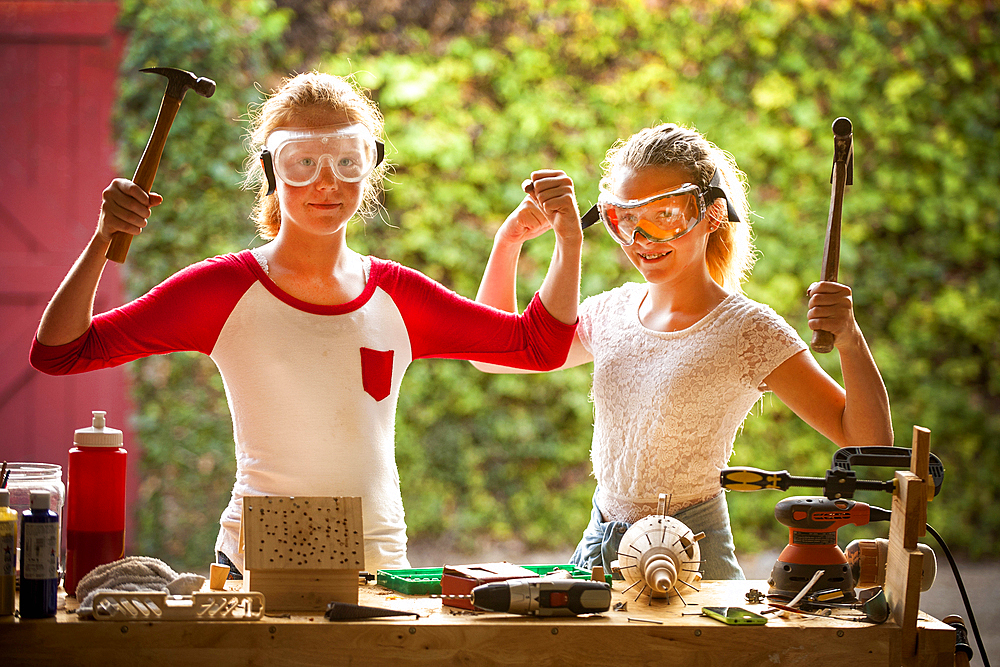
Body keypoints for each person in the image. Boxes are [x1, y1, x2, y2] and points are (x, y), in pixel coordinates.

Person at [29, 71, 584, 577]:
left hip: (380, 567)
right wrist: (104, 238)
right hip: (253, 566)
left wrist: (567, 238)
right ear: (272, 170)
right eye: (302, 162)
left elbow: (536, 346)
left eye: (347, 159)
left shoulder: (400, 296)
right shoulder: (222, 290)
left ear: (370, 168)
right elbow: (60, 352)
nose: (326, 182)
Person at [472, 122, 892, 580]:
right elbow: (492, 354)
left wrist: (849, 336)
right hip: (599, 554)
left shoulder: (747, 330)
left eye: (665, 216)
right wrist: (508, 241)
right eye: (625, 220)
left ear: (711, 215)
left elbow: (867, 444)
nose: (642, 240)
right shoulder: (609, 312)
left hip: (695, 558)